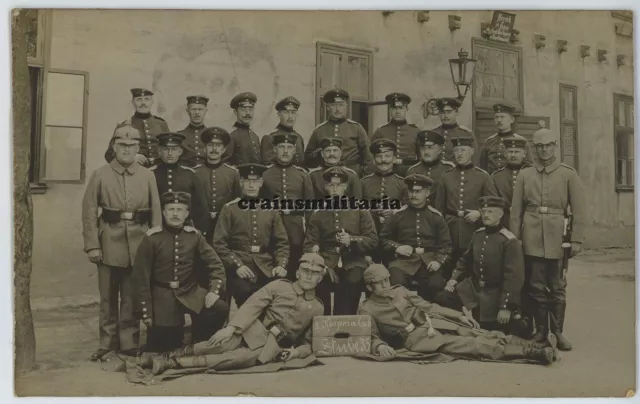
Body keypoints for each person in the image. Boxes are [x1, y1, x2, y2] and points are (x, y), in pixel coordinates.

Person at [141, 253, 326, 375]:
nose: (309, 276)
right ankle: (165, 356)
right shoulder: (279, 286)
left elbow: (309, 343)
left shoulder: (318, 307)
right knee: (216, 345)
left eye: (315, 273)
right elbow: (253, 305)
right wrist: (231, 328)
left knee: (237, 359)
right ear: (297, 272)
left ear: (321, 277)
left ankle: (173, 364)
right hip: (250, 330)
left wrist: (294, 353)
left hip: (271, 347)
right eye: (305, 271)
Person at [359, 264, 557, 365]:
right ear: (369, 286)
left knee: (484, 334)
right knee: (473, 345)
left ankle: (535, 344)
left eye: (387, 279)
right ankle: (534, 354)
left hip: (433, 323)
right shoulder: (367, 308)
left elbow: (430, 307)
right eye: (379, 282)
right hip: (419, 339)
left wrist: (458, 317)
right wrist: (381, 345)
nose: (386, 285)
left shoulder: (400, 290)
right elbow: (369, 336)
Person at [82, 123, 162, 361]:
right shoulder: (100, 174)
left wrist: (155, 243)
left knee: (131, 297)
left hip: (138, 242)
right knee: (107, 297)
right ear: (114, 146)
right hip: (108, 241)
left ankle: (129, 342)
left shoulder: (148, 176)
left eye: (132, 145)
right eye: (122, 145)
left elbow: (156, 210)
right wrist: (92, 245)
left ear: (138, 147)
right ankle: (107, 342)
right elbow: (88, 211)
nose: (127, 150)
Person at [510, 129, 586, 351]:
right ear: (534, 148)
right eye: (539, 146)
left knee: (557, 286)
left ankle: (558, 332)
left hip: (557, 238)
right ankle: (541, 332)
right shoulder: (525, 175)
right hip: (531, 236)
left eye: (548, 145)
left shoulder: (568, 174)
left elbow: (579, 209)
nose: (543, 150)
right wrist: (515, 239)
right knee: (535, 286)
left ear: (555, 146)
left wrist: (577, 240)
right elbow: (516, 211)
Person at [132, 192, 230, 352]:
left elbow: (215, 264)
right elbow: (140, 277)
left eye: (180, 209)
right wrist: (146, 311)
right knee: (169, 346)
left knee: (219, 308)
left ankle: (200, 340)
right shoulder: (152, 238)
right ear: (163, 212)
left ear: (187, 213)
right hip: (162, 296)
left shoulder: (194, 236)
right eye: (171, 209)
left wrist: (214, 291)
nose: (175, 214)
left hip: (189, 291)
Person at [436, 196, 526, 336]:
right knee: (443, 297)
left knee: (498, 331)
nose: (485, 215)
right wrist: (454, 278)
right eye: (483, 212)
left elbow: (514, 278)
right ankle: (465, 319)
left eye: (490, 211)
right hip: (474, 289)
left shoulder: (510, 241)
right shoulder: (478, 234)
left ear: (501, 214)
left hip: (495, 294)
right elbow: (464, 261)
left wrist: (506, 307)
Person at [212, 163, 290, 307]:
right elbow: (219, 243)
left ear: (261, 183)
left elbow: (282, 242)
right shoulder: (230, 209)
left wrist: (280, 265)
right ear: (241, 182)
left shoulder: (270, 210)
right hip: (239, 269)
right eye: (247, 181)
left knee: (277, 296)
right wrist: (237, 266)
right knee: (245, 294)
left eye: (255, 181)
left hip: (266, 267)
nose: (251, 185)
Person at [304, 166, 378, 315]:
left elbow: (373, 240)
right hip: (327, 261)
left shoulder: (360, 210)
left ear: (345, 187)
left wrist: (352, 240)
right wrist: (315, 254)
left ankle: (344, 323)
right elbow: (309, 243)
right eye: (331, 185)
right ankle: (323, 325)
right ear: (326, 187)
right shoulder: (318, 213)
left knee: (353, 281)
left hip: (353, 260)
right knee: (320, 280)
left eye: (339, 185)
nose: (335, 189)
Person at [434, 136, 498, 278]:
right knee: (448, 266)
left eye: (463, 150)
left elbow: (494, 205)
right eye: (456, 150)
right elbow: (439, 209)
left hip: (474, 230)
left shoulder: (483, 176)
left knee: (472, 266)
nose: (459, 154)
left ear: (472, 151)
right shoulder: (446, 176)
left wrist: (480, 213)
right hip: (450, 229)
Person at [379, 174, 451, 301]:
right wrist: (397, 247)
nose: (414, 195)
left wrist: (438, 261)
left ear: (427, 193)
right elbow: (383, 240)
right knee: (396, 280)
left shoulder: (436, 216)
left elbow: (446, 245)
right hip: (403, 262)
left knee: (436, 284)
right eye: (411, 191)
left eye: (418, 191)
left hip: (429, 261)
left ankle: (428, 316)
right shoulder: (398, 215)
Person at [261, 133, 314, 278]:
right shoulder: (265, 174)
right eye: (281, 147)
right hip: (271, 228)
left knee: (295, 265)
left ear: (295, 151)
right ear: (274, 150)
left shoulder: (303, 175)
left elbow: (310, 208)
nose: (285, 151)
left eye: (289, 147)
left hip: (295, 228)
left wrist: (309, 235)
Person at [305, 88, 373, 177]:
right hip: (326, 175)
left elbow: (368, 155)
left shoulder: (356, 128)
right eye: (334, 105)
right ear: (327, 107)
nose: (338, 109)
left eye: (341, 105)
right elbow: (308, 157)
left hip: (352, 173)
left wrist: (363, 175)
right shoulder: (319, 130)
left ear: (346, 106)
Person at [150, 132, 208, 233]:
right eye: (165, 149)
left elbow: (200, 207)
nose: (170, 153)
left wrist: (198, 230)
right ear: (159, 151)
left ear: (180, 151)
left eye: (174, 149)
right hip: (158, 229)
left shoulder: (190, 174)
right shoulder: (151, 174)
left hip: (185, 229)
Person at [193, 127, 242, 241]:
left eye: (218, 146)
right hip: (200, 226)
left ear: (224, 149)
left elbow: (237, 202)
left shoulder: (232, 173)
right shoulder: (194, 173)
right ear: (204, 148)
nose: (214, 149)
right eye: (210, 145)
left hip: (225, 227)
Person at [104, 88, 170, 167]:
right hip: (134, 171)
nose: (143, 103)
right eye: (139, 100)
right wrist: (130, 157)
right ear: (133, 102)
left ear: (152, 102)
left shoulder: (161, 124)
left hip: (159, 170)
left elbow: (170, 149)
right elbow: (109, 155)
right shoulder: (124, 126)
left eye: (147, 99)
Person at [361, 139, 408, 239]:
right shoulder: (364, 182)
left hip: (395, 231)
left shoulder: (403, 183)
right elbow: (357, 206)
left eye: (387, 156)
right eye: (379, 156)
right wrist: (371, 209)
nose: (383, 160)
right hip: (369, 230)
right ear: (373, 160)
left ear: (394, 159)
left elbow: (407, 207)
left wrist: (393, 211)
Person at [370, 93, 421, 176]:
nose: (397, 112)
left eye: (401, 108)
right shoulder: (381, 131)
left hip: (410, 173)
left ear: (406, 109)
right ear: (390, 110)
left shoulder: (415, 131)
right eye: (394, 108)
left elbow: (421, 158)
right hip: (386, 174)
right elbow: (371, 156)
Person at [491, 136, 532, 230]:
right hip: (504, 222)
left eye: (517, 152)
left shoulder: (532, 173)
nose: (513, 155)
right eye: (510, 152)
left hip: (528, 221)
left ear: (524, 154)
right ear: (505, 154)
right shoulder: (496, 176)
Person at [479, 103, 533, 174]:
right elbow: (482, 168)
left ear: (511, 119)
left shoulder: (521, 141)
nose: (499, 120)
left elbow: (529, 166)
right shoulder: (489, 142)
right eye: (496, 117)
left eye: (502, 117)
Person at [406, 130, 455, 203]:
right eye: (423, 148)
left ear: (440, 150)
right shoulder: (412, 170)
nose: (426, 152)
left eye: (430, 148)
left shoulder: (449, 169)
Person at [260, 96, 306, 166]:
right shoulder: (270, 138)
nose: (290, 116)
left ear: (297, 115)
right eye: (286, 112)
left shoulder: (299, 138)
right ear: (279, 115)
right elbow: (267, 167)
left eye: (293, 112)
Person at [430, 97, 476, 162]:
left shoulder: (466, 133)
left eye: (449, 112)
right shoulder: (433, 133)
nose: (445, 116)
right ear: (439, 114)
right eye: (442, 112)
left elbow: (474, 160)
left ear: (456, 113)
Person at [223, 92, 261, 166]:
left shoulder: (255, 136)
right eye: (243, 109)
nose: (247, 113)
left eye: (250, 109)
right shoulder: (232, 137)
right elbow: (226, 164)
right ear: (235, 112)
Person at [178, 95, 209, 168]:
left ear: (205, 111)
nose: (197, 112)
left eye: (200, 109)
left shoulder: (211, 135)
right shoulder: (179, 136)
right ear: (188, 111)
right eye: (193, 109)